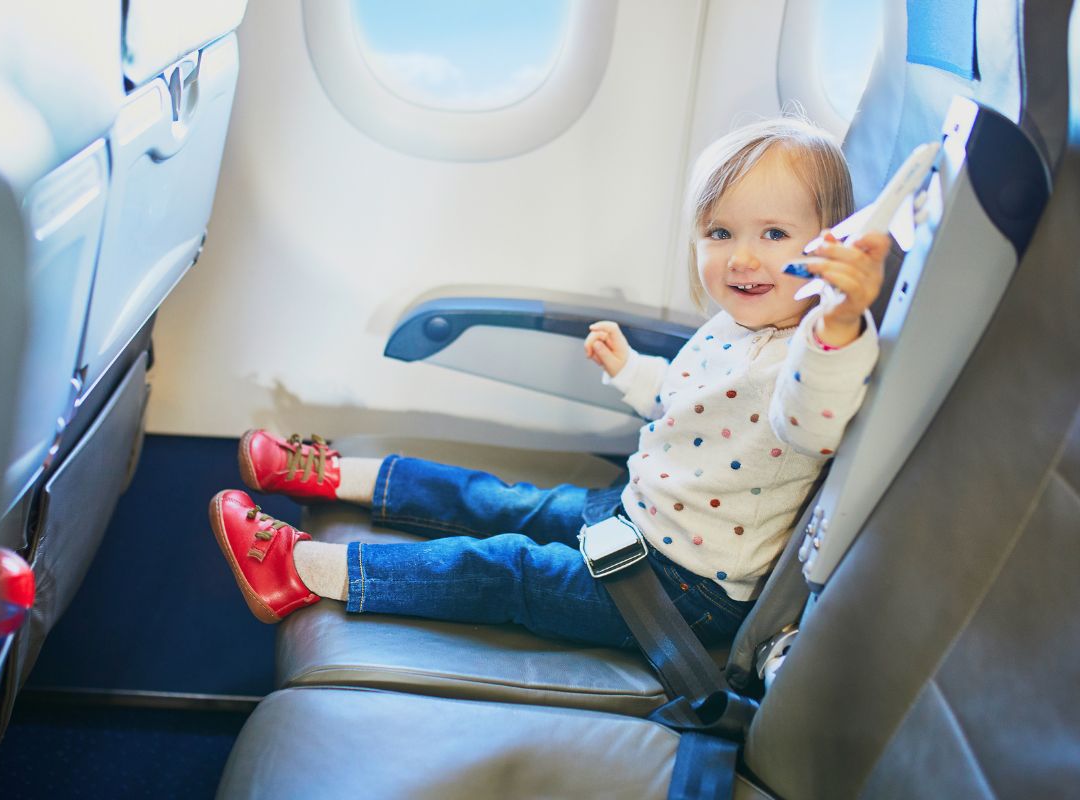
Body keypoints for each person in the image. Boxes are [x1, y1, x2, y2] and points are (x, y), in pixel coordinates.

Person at [208, 115, 890, 649]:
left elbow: (810, 422)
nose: (741, 256)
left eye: (774, 233)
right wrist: (633, 373)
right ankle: (331, 476)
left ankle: (302, 572)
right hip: (636, 517)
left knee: (507, 567)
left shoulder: (811, 351)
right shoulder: (734, 326)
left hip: (683, 590)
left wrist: (841, 321)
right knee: (496, 499)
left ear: (828, 246)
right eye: (719, 232)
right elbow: (690, 406)